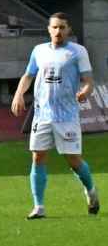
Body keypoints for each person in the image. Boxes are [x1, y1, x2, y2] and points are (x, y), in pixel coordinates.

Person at [12, 12, 99, 219]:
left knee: (73, 160)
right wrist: (18, 94)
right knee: (38, 156)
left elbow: (88, 80)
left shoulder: (78, 52)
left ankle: (90, 190)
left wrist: (85, 91)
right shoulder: (39, 51)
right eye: (55, 27)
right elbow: (28, 75)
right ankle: (39, 207)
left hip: (66, 115)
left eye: (62, 27)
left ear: (68, 30)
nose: (58, 31)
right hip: (42, 115)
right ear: (49, 29)